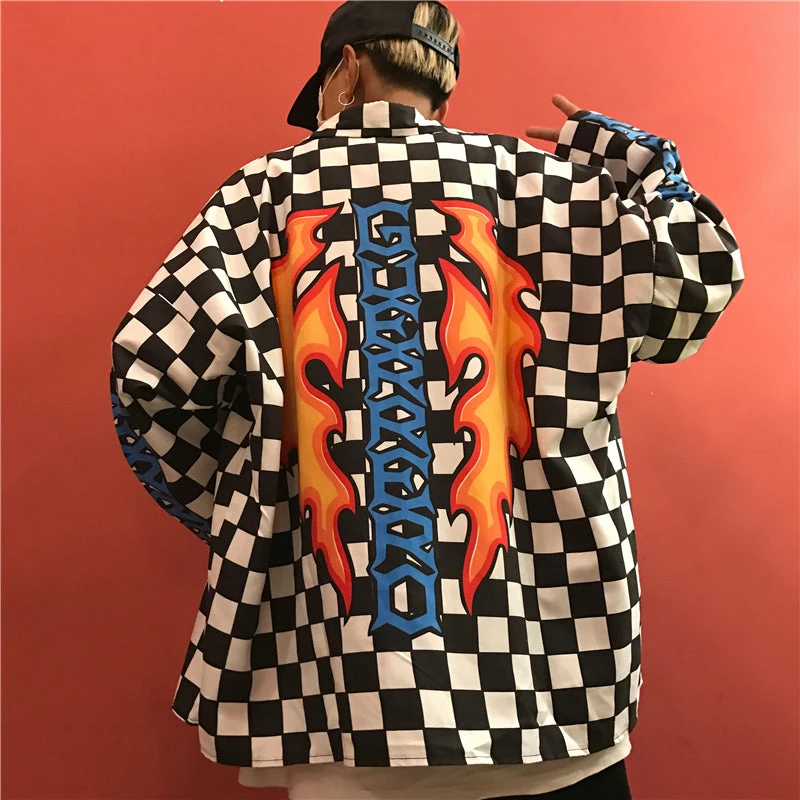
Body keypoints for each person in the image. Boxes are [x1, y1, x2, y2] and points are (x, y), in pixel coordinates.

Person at [108, 1, 744, 798]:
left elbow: (150, 375)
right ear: (441, 85)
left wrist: (252, 503)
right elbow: (700, 281)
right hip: (554, 689)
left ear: (345, 70)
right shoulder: (552, 191)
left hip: (343, 706)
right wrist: (636, 162)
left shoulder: (262, 198)